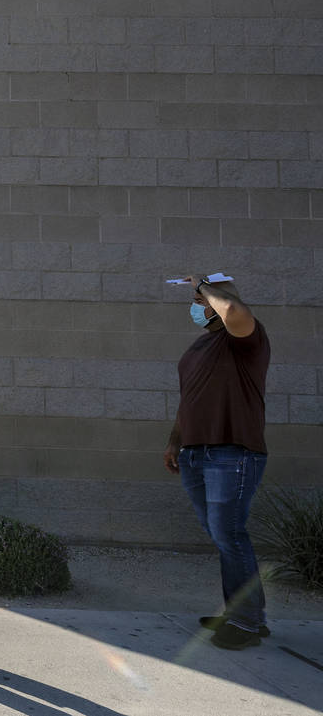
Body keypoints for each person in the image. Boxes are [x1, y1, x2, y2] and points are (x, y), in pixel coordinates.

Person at [163, 276, 271, 651]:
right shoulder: (202, 345)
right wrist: (176, 441)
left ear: (216, 301)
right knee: (222, 535)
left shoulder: (245, 339)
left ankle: (243, 622)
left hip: (233, 451)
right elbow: (189, 398)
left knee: (229, 532)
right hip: (196, 453)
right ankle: (247, 614)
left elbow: (236, 312)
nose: (196, 306)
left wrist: (206, 286)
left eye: (200, 300)